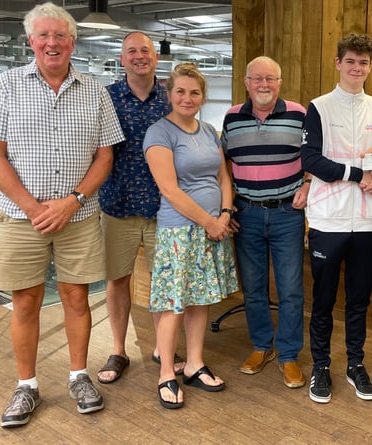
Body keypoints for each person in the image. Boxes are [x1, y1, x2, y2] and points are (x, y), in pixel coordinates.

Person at [0, 2, 124, 428]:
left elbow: (105, 158)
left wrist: (71, 201)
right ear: (30, 40)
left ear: (73, 41)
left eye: (61, 36)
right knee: (26, 300)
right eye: (44, 35)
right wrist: (34, 208)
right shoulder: (7, 85)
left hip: (80, 216)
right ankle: (27, 386)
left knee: (75, 297)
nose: (52, 43)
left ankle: (78, 376)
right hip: (21, 217)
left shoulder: (95, 90)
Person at [143, 62, 238, 409]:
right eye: (180, 91)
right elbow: (169, 189)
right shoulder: (159, 133)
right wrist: (209, 222)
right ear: (169, 95)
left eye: (194, 92)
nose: (187, 97)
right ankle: (167, 371)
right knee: (173, 304)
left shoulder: (210, 131)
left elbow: (223, 178)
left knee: (201, 300)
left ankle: (195, 364)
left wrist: (225, 214)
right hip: (180, 230)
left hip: (213, 228)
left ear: (203, 96)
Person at [301, 33, 372, 404]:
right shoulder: (319, 107)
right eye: (351, 61)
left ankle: (356, 364)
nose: (357, 68)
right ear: (338, 63)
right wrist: (357, 174)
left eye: (364, 63)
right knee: (322, 301)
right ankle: (320, 367)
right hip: (327, 219)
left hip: (367, 222)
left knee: (358, 300)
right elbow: (311, 160)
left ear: (370, 67)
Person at [96, 31, 186, 385]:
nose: (139, 56)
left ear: (156, 57)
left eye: (145, 51)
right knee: (118, 280)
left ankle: (162, 349)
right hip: (118, 205)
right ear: (122, 59)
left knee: (163, 282)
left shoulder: (171, 97)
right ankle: (119, 349)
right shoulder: (107, 98)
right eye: (131, 51)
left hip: (165, 207)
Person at [221, 56, 308, 388]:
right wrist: (227, 209)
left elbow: (312, 155)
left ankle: (287, 355)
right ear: (247, 82)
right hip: (247, 213)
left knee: (290, 290)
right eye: (257, 78)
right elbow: (222, 167)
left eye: (270, 78)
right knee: (254, 289)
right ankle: (262, 347)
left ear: (279, 83)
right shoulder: (231, 118)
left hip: (287, 214)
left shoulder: (299, 114)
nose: (263, 84)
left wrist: (308, 183)